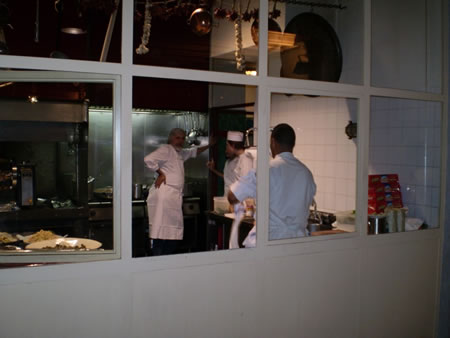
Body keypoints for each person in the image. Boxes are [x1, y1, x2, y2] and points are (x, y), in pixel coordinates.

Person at [227, 123, 316, 246]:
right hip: (297, 243)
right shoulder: (307, 173)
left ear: (273, 142)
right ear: (293, 144)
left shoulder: (266, 170)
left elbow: (232, 196)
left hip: (268, 242)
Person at [144, 128, 214, 255]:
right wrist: (160, 173)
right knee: (161, 234)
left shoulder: (180, 152)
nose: (180, 141)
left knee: (172, 234)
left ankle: (166, 260)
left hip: (173, 197)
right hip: (164, 195)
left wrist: (209, 145)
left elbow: (193, 152)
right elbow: (148, 160)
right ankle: (157, 260)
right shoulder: (166, 149)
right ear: (171, 138)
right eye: (177, 137)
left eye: (182, 138)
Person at [207, 130, 254, 196]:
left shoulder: (246, 160)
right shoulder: (231, 160)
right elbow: (228, 178)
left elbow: (245, 185)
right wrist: (213, 170)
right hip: (229, 199)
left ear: (233, 146)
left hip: (238, 201)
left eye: (227, 145)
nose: (226, 148)